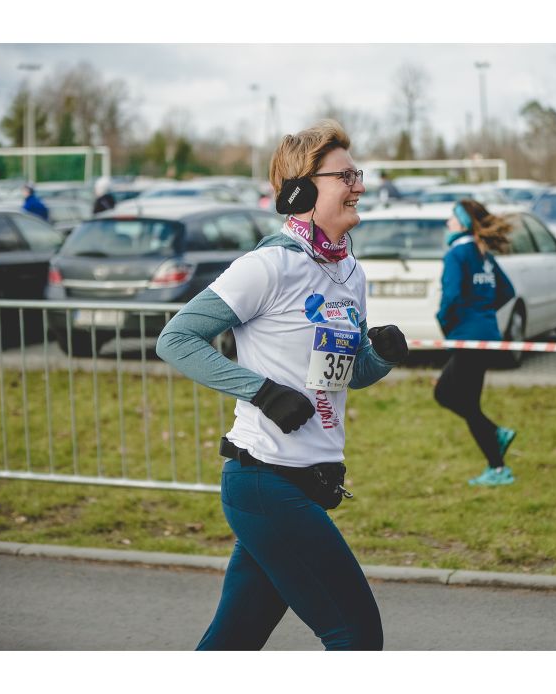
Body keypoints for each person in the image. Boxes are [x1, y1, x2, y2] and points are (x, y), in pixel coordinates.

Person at [156, 119, 408, 650]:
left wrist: (381, 355)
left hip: (310, 481)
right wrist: (263, 392)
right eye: (345, 176)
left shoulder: (349, 272)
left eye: (357, 174)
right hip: (264, 481)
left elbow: (346, 374)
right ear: (301, 191)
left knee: (233, 643)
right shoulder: (268, 266)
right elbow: (176, 339)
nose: (359, 186)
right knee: (357, 635)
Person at [434, 198, 518, 486]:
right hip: (487, 336)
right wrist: (483, 313)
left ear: (463, 223)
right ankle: (497, 462)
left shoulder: (456, 254)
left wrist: (445, 321)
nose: (448, 223)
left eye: (452, 217)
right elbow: (507, 292)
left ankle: (498, 460)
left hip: (467, 338)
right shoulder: (483, 254)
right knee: (465, 401)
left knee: (447, 395)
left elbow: (451, 296)